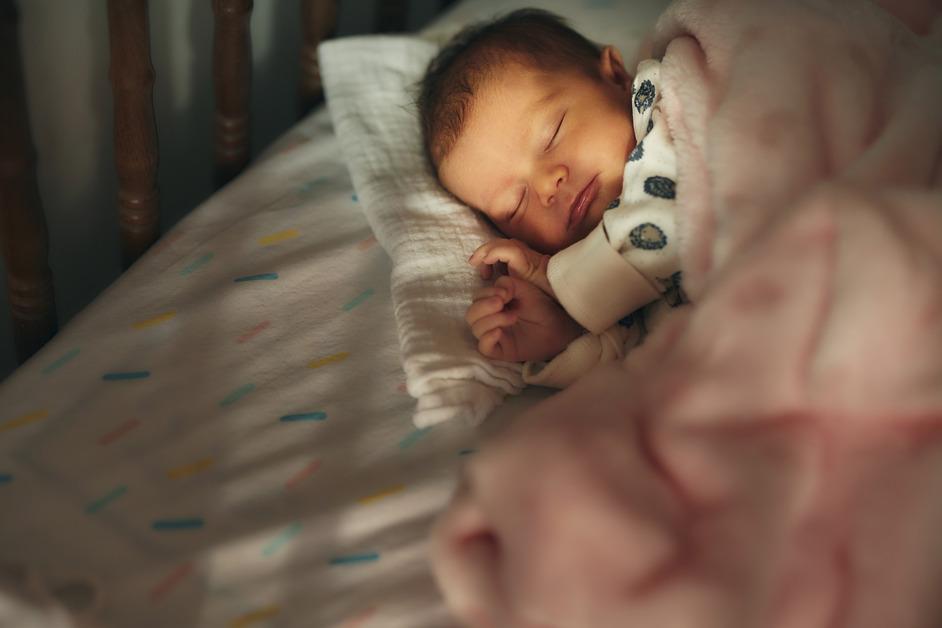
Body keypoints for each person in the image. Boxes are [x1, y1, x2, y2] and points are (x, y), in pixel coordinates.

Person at [418, 8, 687, 388]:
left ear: (614, 75)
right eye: (514, 204)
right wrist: (563, 329)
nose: (548, 185)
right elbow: (637, 356)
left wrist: (559, 283)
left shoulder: (666, 102)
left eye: (552, 134)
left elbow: (667, 218)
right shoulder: (609, 274)